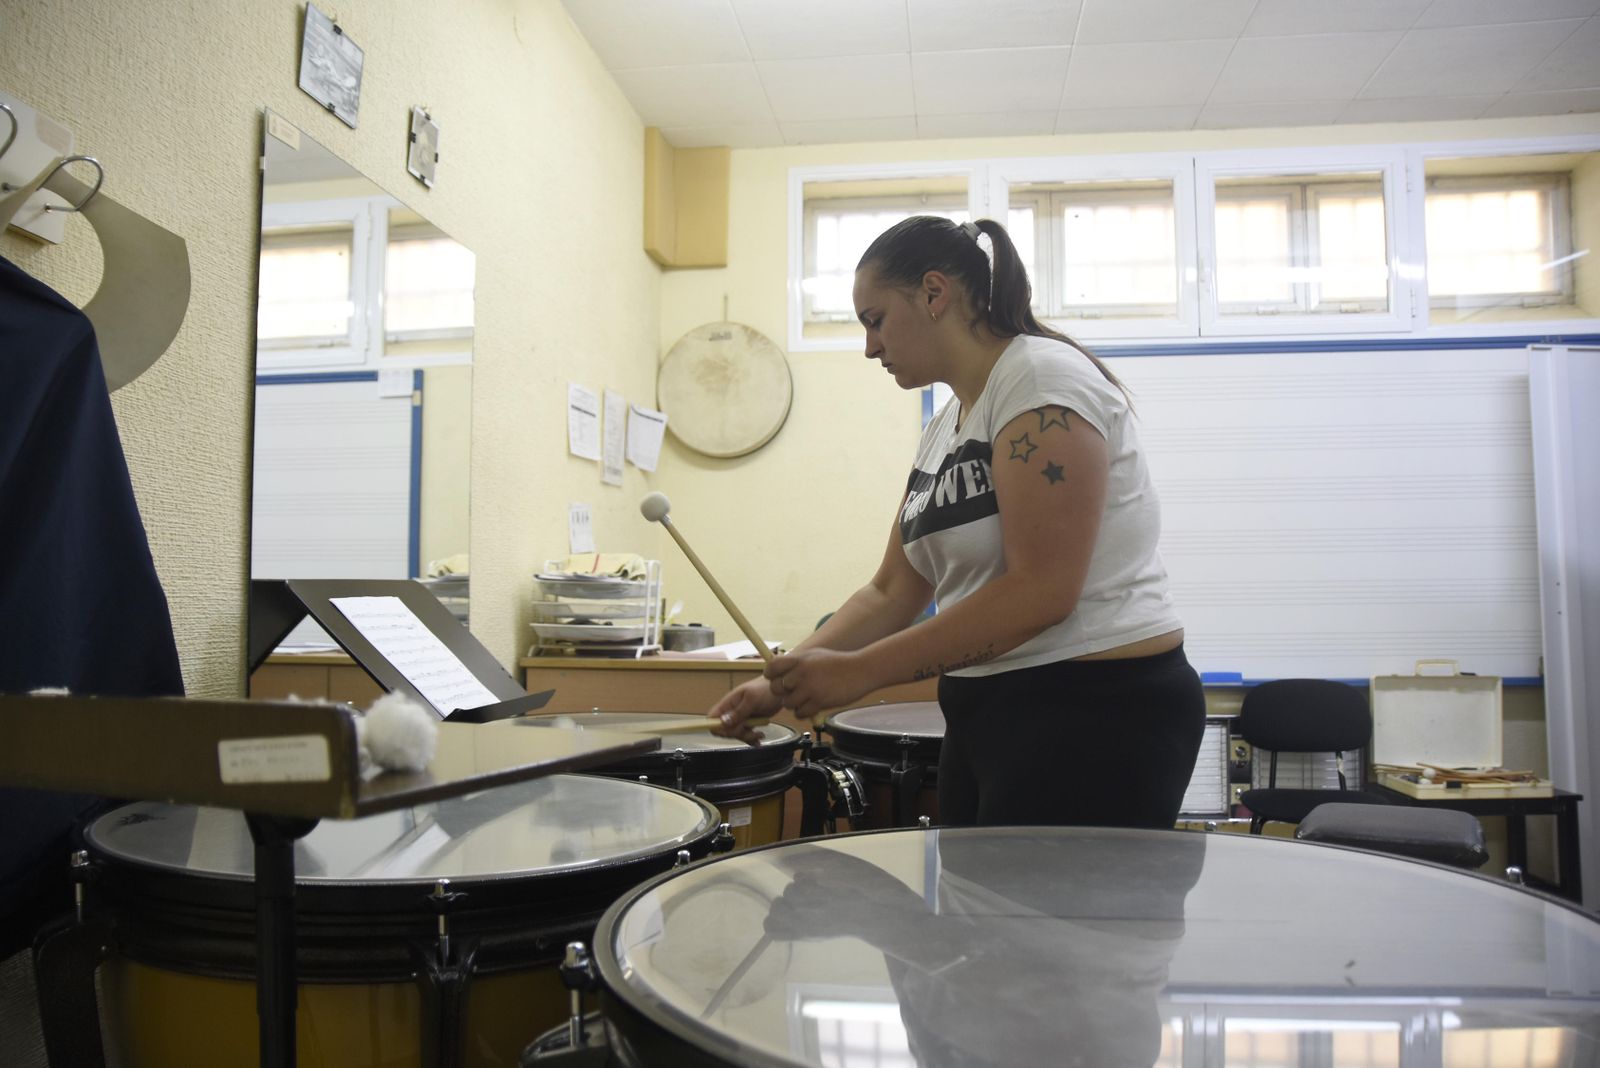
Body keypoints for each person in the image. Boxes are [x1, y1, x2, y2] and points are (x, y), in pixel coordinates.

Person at [708, 215, 1205, 829]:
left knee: (1051, 925)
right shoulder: (944, 427)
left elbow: (1042, 591)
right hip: (986, 708)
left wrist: (861, 673)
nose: (870, 347)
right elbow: (891, 589)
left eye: (875, 319)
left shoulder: (1039, 379)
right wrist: (778, 684)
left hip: (1095, 707)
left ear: (935, 293)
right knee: (979, 918)